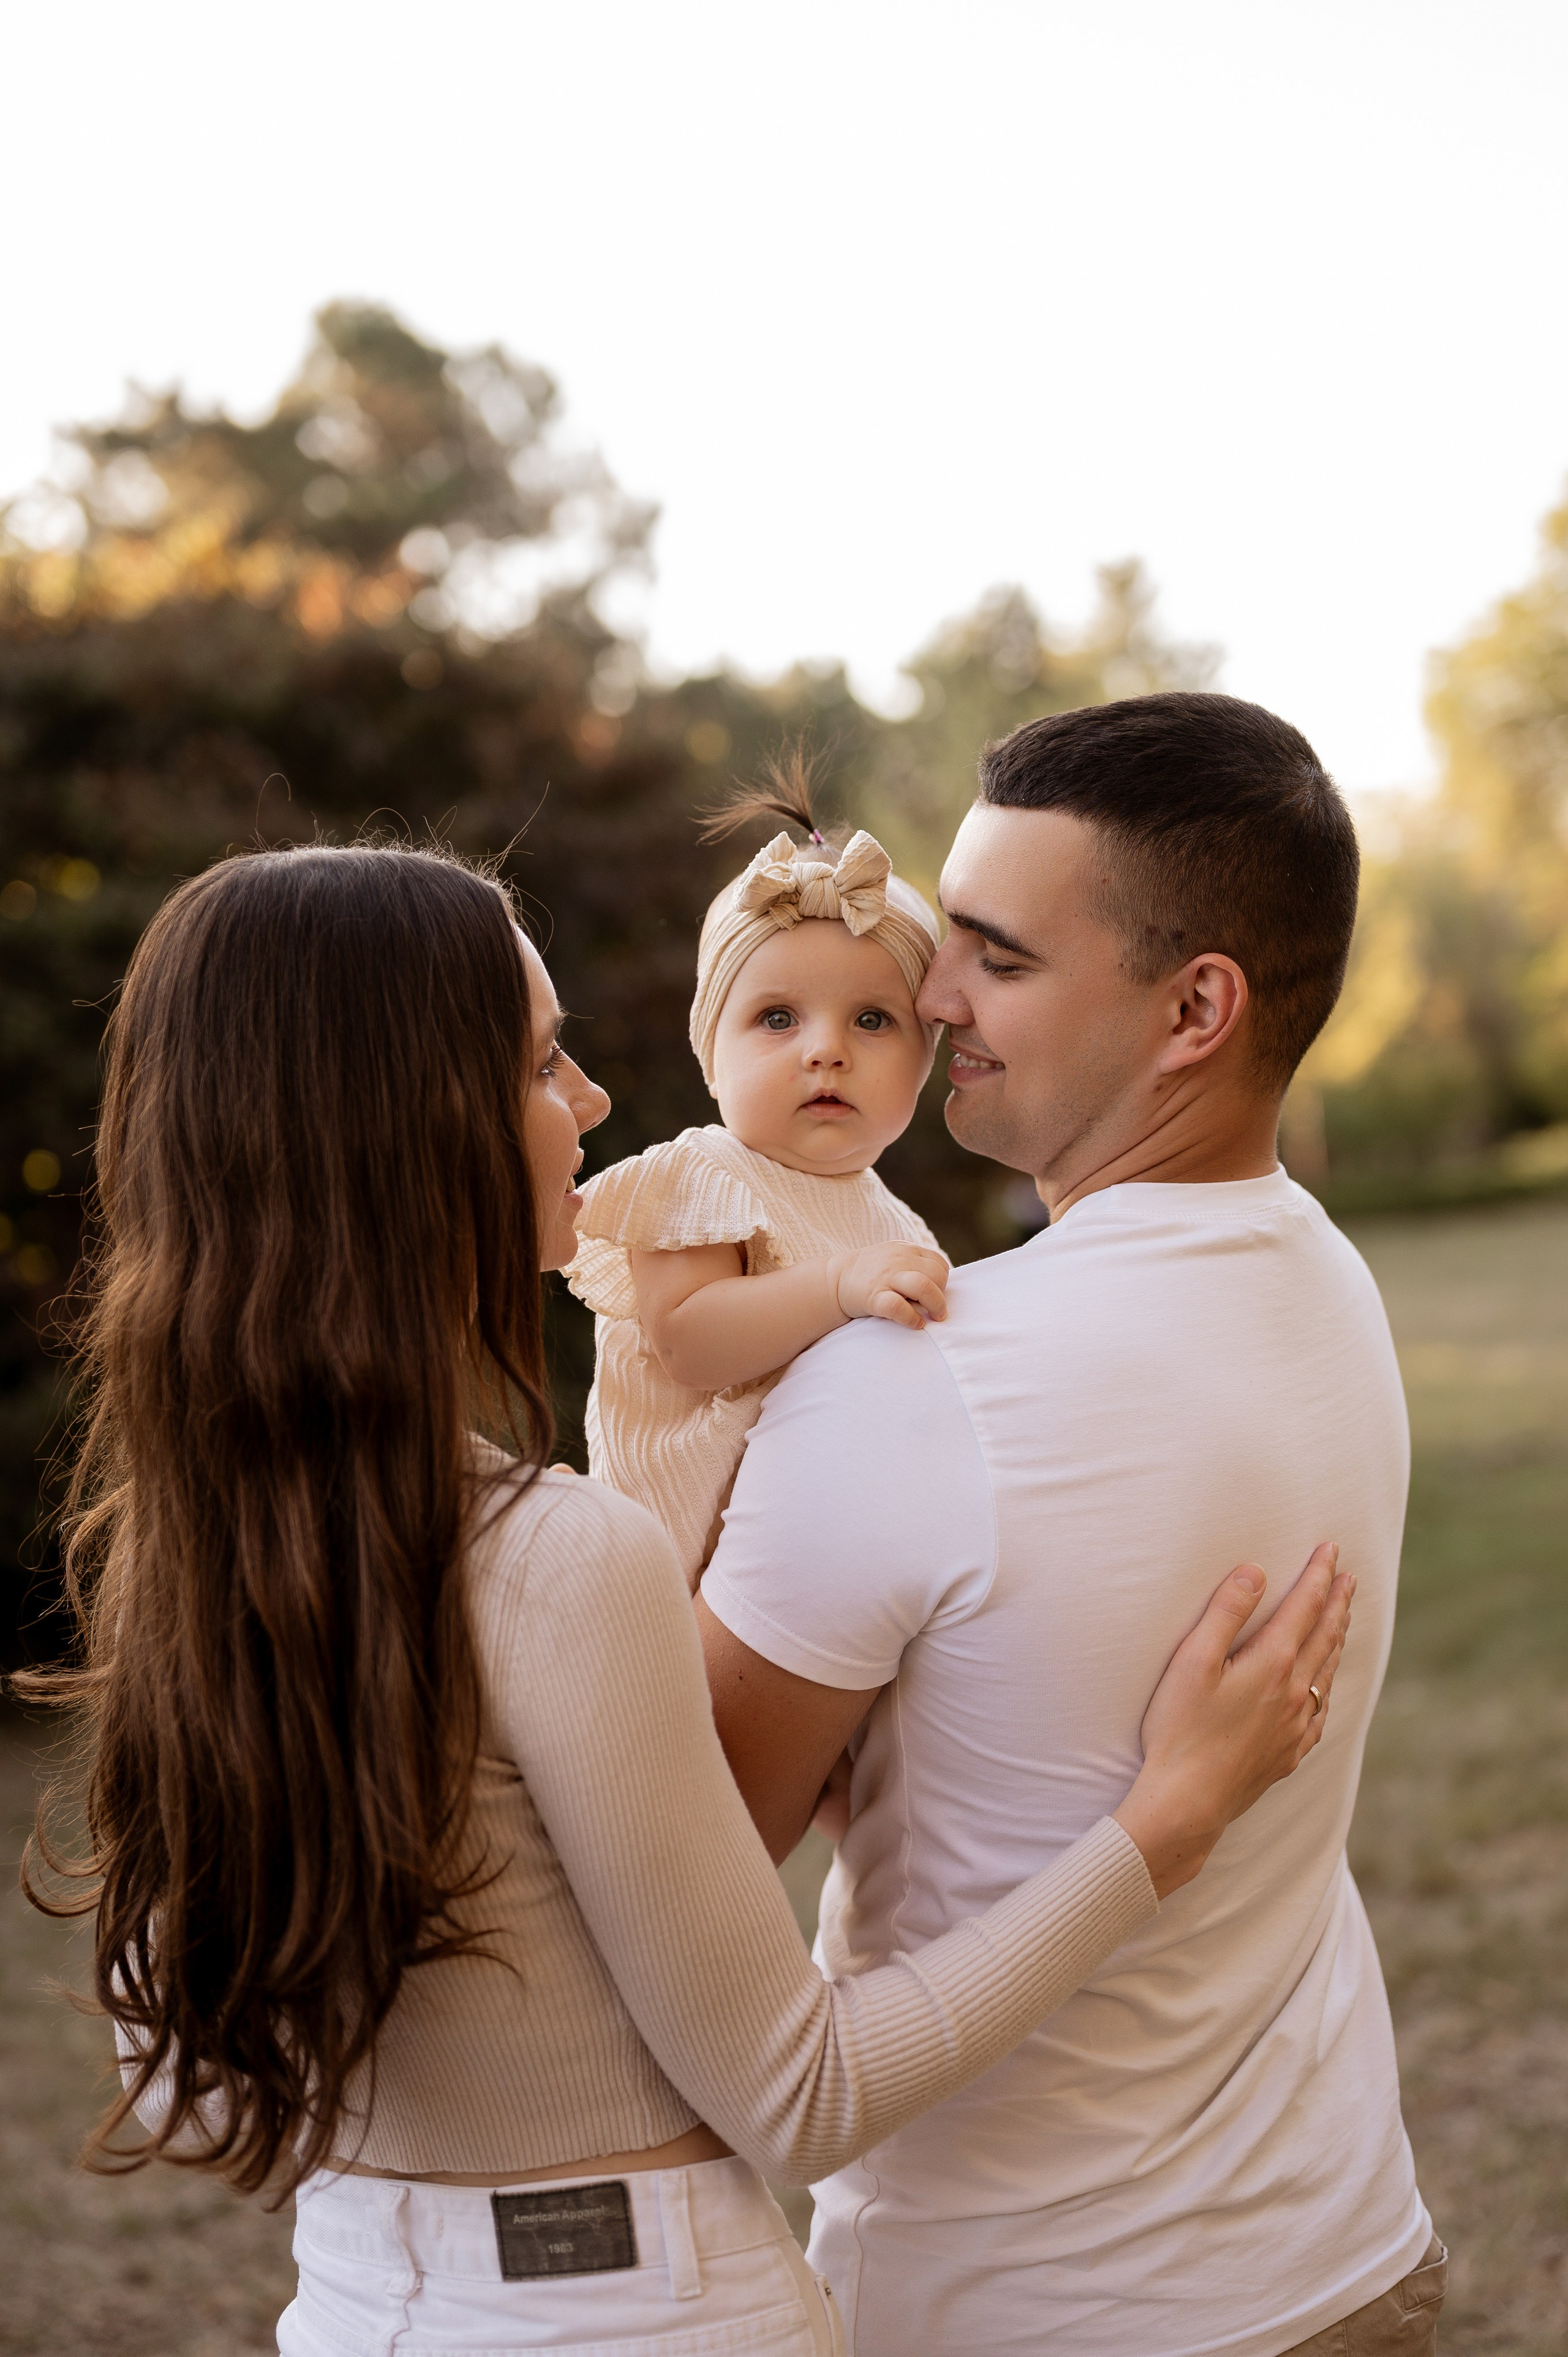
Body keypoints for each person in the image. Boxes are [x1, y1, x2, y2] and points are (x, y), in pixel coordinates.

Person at [24, 841, 1352, 2357]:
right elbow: (804, 2092)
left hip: (354, 2308)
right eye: (539, 1061)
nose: (588, 1103)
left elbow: (181, 2084)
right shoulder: (556, 1558)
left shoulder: (191, 1552)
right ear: (411, 1134)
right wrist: (1161, 1820)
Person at [697, 693, 1447, 2357]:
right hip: (1345, 2263)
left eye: (997, 957)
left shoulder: (916, 1381)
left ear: (1197, 1008)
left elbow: (683, 1856)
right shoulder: (1329, 1279)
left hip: (1038, 2313)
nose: (927, 995)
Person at [567, 756, 950, 1588]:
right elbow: (687, 1341)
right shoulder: (699, 1176)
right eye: (777, 1017)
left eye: (873, 1020)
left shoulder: (897, 1230)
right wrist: (841, 1285)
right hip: (675, 1577)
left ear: (926, 1061)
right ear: (712, 1055)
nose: (825, 1049)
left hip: (821, 1570)